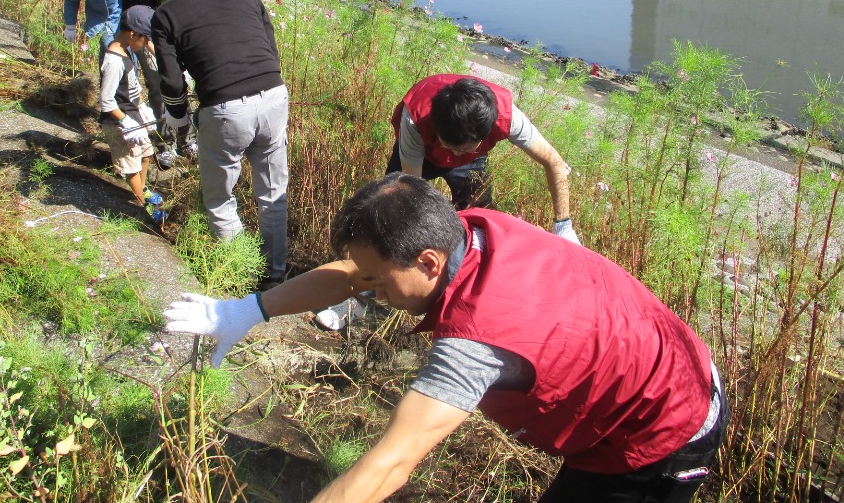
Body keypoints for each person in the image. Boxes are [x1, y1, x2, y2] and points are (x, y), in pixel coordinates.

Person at [164, 173, 729, 503]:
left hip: (664, 429)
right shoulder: (472, 229)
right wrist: (244, 311)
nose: (369, 291)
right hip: (664, 360)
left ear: (429, 263)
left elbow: (389, 464)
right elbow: (350, 275)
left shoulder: (474, 341)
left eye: (378, 281)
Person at [152, 0, 289, 284]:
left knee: (219, 199)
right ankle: (274, 277)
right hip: (274, 95)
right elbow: (270, 50)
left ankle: (242, 275)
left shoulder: (166, 14)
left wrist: (179, 119)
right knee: (272, 195)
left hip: (226, 110)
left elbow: (170, 81)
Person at [388, 74, 579, 243]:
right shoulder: (415, 117)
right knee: (394, 207)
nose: (454, 155)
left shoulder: (506, 116)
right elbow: (411, 187)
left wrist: (563, 226)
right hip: (424, 153)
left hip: (471, 161)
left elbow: (553, 161)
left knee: (482, 219)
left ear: (484, 134)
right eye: (450, 147)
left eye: (463, 149)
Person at [122, 0, 204, 163]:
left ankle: (188, 139)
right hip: (147, 32)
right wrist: (159, 51)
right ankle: (164, 142)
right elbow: (136, 17)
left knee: (189, 83)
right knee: (160, 84)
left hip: (181, 28)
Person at [99, 6, 167, 225]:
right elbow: (107, 100)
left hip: (132, 116)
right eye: (144, 38)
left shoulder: (126, 50)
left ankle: (143, 188)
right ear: (131, 33)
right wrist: (124, 120)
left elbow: (131, 88)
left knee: (146, 154)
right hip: (119, 123)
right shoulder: (113, 61)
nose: (146, 42)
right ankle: (144, 206)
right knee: (132, 166)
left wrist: (142, 107)